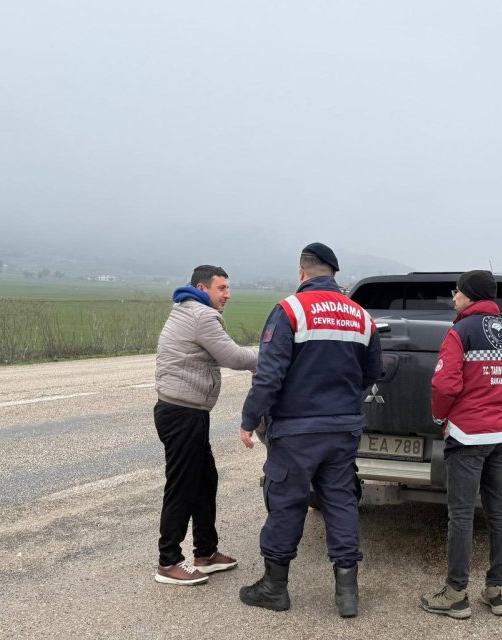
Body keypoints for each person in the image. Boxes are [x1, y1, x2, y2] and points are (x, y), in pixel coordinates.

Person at [237, 243, 382, 618]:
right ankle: (347, 596)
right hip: (343, 428)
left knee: (287, 501)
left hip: (297, 430)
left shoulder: (290, 310)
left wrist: (248, 419)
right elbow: (371, 373)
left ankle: (274, 588)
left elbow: (269, 375)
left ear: (302, 272)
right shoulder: (361, 317)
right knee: (341, 501)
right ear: (334, 274)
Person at [419, 270, 502, 620]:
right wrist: (500, 412)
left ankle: (455, 595)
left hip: (467, 437)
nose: (454, 298)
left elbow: (443, 385)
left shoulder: (460, 332)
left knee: (462, 514)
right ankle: (498, 591)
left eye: (457, 292)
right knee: (498, 512)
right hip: (501, 436)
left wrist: (442, 419)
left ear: (469, 296)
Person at [152, 265, 257, 586]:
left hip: (184, 410)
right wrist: (273, 357)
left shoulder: (187, 309)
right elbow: (235, 357)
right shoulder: (201, 315)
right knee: (182, 486)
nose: (227, 295)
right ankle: (168, 562)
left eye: (228, 288)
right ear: (202, 286)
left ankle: (206, 553)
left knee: (204, 480)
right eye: (221, 288)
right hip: (183, 413)